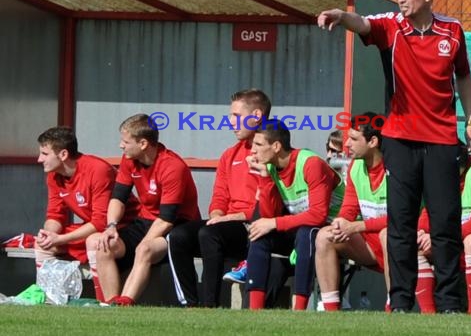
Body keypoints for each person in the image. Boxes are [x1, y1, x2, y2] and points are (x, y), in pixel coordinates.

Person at [318, 0, 471, 313]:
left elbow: (464, 75)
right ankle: (401, 302)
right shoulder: (391, 26)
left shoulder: (452, 31)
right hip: (399, 141)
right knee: (401, 224)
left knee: (445, 223)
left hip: (442, 142)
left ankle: (451, 303)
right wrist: (339, 15)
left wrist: (469, 122)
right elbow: (361, 23)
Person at [167, 89, 275, 307]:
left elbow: (269, 204)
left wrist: (228, 219)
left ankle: (210, 306)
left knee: (209, 233)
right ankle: (189, 304)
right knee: (177, 236)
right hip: (226, 225)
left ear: (256, 115)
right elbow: (219, 196)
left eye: (236, 116)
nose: (231, 122)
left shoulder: (273, 152)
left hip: (254, 227)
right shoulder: (230, 154)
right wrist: (217, 215)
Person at [86, 113, 201, 306]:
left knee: (145, 249)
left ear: (143, 144)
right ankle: (110, 304)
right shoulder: (129, 159)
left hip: (176, 228)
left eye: (125, 141)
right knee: (102, 245)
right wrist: (111, 226)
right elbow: (118, 198)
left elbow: (167, 219)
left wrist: (144, 241)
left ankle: (125, 303)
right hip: (145, 222)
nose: (120, 146)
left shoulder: (173, 167)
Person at [246, 119, 344, 310]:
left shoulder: (310, 163)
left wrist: (273, 222)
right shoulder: (272, 167)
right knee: (260, 235)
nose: (252, 151)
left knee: (305, 233)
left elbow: (318, 215)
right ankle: (254, 310)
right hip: (303, 225)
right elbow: (268, 214)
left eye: (258, 144)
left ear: (276, 146)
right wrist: (264, 179)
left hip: (335, 228)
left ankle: (299, 309)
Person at [34, 126, 138, 302]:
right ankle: (50, 301)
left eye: (45, 154)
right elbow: (55, 215)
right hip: (94, 227)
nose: (39, 159)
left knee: (96, 241)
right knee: (42, 244)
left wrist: (60, 239)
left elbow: (100, 222)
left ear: (63, 155)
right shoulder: (54, 175)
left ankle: (104, 304)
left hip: (124, 228)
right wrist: (49, 234)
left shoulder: (97, 169)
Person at [413, 142, 471, 314]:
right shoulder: (444, 174)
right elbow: (429, 212)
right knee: (416, 243)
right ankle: (428, 315)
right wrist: (422, 232)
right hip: (453, 238)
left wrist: (438, 237)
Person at [315, 112, 388, 311]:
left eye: (354, 139)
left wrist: (356, 225)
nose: (347, 144)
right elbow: (349, 207)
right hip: (370, 246)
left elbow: (402, 219)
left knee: (388, 234)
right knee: (325, 236)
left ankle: (395, 308)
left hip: (402, 243)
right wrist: (340, 222)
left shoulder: (397, 168)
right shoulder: (356, 166)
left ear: (373, 141)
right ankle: (330, 311)